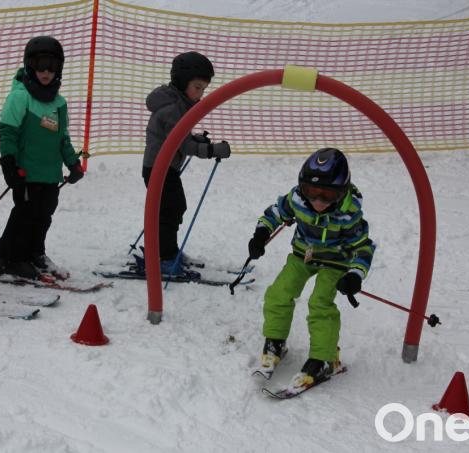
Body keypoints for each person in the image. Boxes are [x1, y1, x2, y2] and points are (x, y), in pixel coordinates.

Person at [247, 148, 375, 388]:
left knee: (320, 303)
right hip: (303, 255)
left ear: (342, 191)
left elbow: (363, 248)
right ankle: (276, 341)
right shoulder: (297, 199)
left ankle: (324, 358)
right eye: (311, 191)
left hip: (336, 261)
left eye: (327, 194)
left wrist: (355, 275)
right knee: (279, 293)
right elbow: (275, 212)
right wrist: (261, 234)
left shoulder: (349, 214)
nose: (318, 201)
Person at [0, 36, 83, 280]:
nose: (45, 72)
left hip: (50, 173)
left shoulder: (59, 103)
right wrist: (9, 162)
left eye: (51, 66)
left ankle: (35, 253)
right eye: (39, 65)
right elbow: (8, 132)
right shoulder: (20, 97)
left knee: (44, 215)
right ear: (29, 65)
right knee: (25, 214)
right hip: (26, 171)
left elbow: (63, 138)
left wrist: (73, 163)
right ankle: (11, 258)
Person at [142, 51, 231, 275]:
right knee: (170, 210)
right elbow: (181, 145)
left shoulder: (177, 103)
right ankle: (163, 257)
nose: (200, 94)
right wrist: (211, 150)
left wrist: (196, 139)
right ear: (182, 83)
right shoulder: (172, 109)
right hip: (158, 170)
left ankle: (169, 251)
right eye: (197, 87)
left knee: (172, 208)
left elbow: (180, 138)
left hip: (165, 168)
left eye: (203, 89)